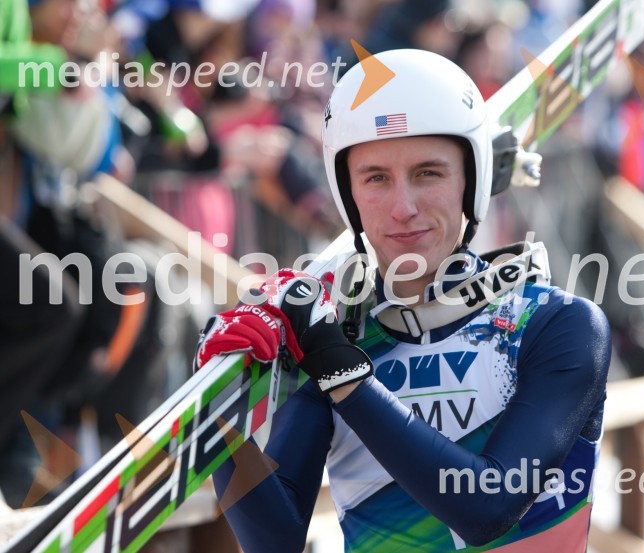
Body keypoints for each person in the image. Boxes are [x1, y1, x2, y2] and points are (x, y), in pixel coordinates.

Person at [195, 49, 611, 552]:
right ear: (348, 194)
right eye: (375, 178)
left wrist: (342, 374)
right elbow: (275, 541)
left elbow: (489, 507)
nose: (403, 208)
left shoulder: (556, 324)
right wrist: (219, 414)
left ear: (471, 182)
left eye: (428, 173)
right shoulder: (341, 336)